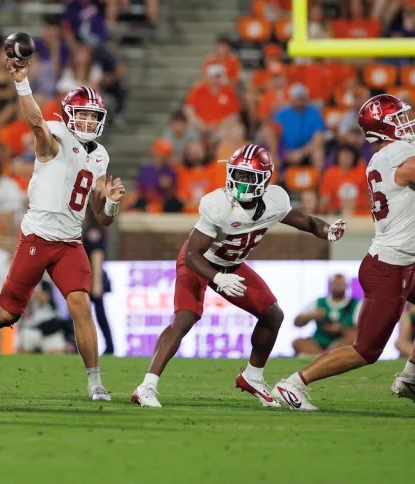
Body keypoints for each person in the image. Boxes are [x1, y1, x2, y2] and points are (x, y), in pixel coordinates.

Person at [270, 93, 415, 411]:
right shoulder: (393, 155)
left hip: (405, 263)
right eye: (397, 117)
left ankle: (411, 376)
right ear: (383, 126)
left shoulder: (398, 155)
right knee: (366, 350)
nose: (405, 122)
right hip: (389, 267)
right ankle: (292, 385)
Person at [131, 144, 346, 408]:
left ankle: (252, 377)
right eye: (237, 175)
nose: (240, 182)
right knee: (185, 318)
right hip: (200, 262)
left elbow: (309, 222)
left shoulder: (275, 201)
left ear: (265, 179)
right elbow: (192, 255)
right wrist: (218, 278)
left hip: (232, 264)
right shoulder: (218, 204)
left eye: (248, 177)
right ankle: (146, 386)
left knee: (272, 315)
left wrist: (327, 230)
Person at [0, 58, 126, 402]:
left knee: (81, 306)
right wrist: (22, 83)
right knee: (8, 312)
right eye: (82, 114)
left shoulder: (99, 155)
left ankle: (95, 381)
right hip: (38, 237)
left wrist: (111, 202)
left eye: (93, 116)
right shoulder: (54, 136)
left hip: (70, 242)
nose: (87, 120)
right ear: (70, 115)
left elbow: (102, 218)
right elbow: (37, 123)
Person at [292, 274, 360, 356]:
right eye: (335, 284)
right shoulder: (319, 302)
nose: (338, 287)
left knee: (353, 339)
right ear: (330, 286)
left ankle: (323, 356)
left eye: (340, 284)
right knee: (298, 342)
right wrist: (311, 315)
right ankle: (325, 356)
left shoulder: (356, 304)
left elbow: (360, 331)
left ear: (347, 286)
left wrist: (341, 328)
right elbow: (297, 322)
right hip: (319, 342)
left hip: (342, 341)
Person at [83, 211, 114, 355]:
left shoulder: (93, 231)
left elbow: (96, 255)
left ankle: (106, 346)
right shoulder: (100, 230)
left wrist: (96, 283)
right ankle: (108, 346)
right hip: (93, 278)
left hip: (91, 279)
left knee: (91, 315)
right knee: (99, 315)